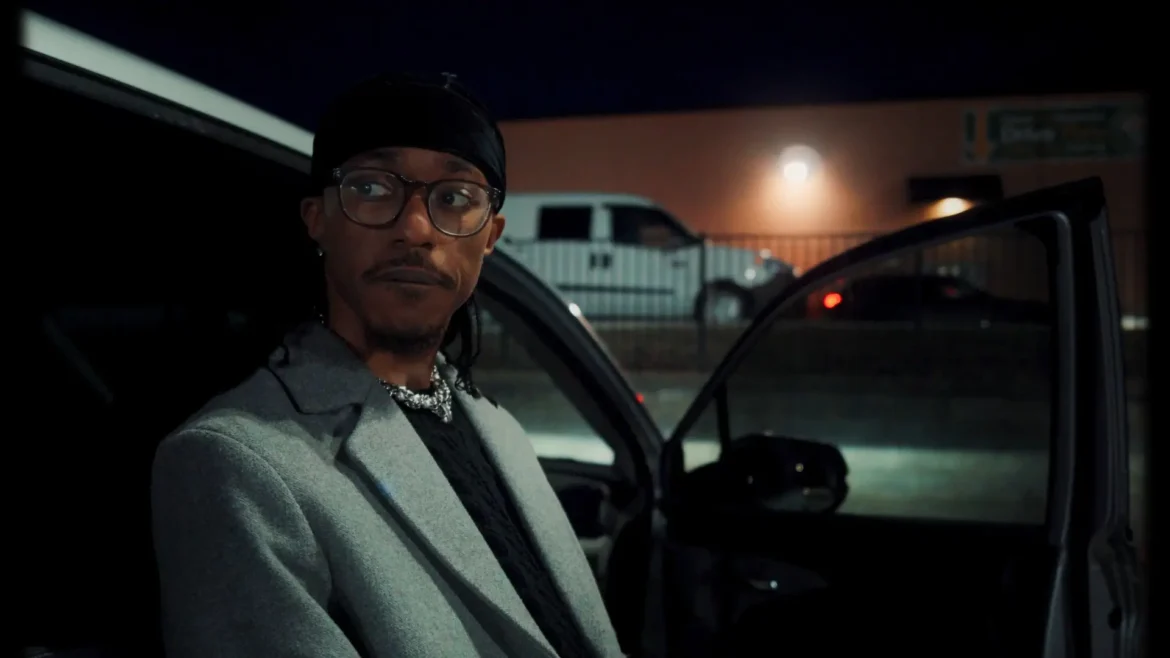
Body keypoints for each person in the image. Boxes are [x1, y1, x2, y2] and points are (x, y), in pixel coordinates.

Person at [150, 73, 623, 658]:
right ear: (316, 218)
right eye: (373, 189)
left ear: (491, 235)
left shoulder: (497, 426)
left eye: (453, 197)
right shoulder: (234, 461)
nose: (416, 229)